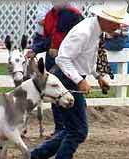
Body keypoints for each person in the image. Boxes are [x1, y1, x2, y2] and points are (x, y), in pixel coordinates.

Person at [30, 1, 129, 159]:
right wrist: (80, 80)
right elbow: (62, 58)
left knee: (73, 129)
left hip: (69, 78)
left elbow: (87, 57)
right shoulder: (84, 32)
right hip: (66, 79)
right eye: (116, 22)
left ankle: (37, 157)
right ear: (105, 19)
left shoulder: (95, 31)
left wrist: (97, 75)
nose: (119, 26)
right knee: (79, 131)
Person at [26, 2, 84, 138]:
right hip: (53, 58)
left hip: (70, 59)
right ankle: (60, 128)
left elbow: (77, 38)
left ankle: (75, 125)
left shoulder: (74, 14)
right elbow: (48, 40)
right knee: (55, 90)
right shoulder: (50, 16)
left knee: (72, 91)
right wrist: (35, 49)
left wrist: (60, 49)